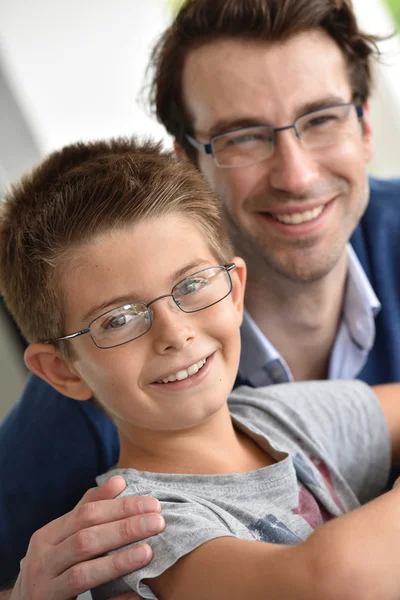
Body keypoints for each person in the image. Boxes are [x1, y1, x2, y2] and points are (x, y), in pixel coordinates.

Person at [2, 0, 400, 589]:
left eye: (320, 118)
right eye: (243, 136)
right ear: (192, 161)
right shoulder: (132, 518)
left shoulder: (277, 420)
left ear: (364, 125)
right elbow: (328, 581)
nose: (175, 333)